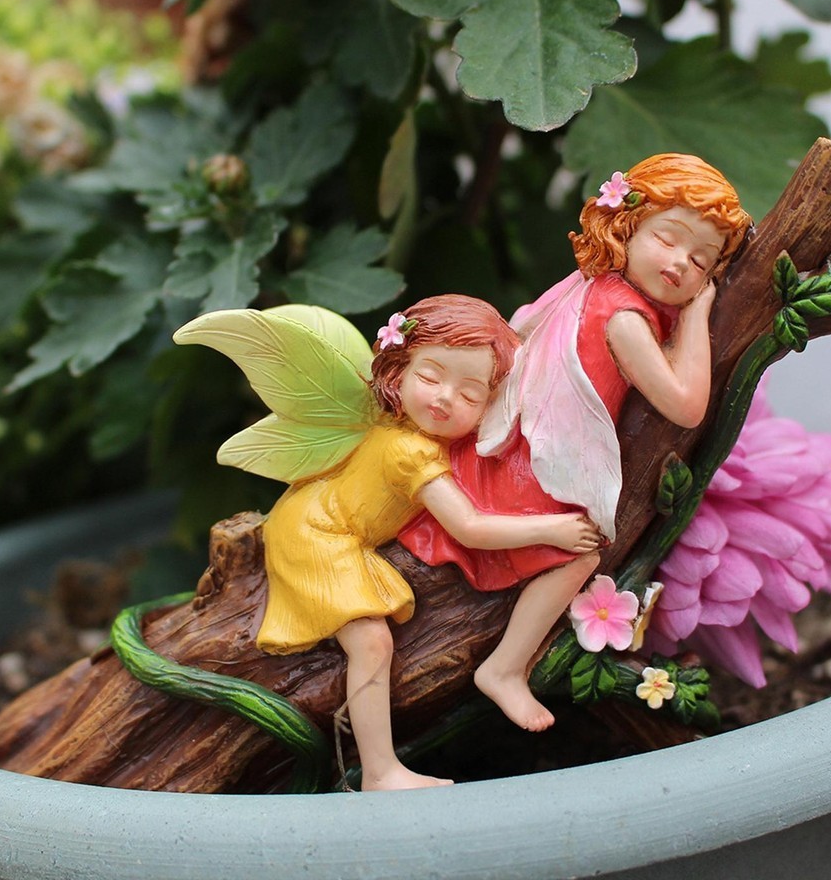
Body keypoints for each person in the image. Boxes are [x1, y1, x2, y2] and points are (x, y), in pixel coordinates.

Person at [400, 153, 752, 730]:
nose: (679, 263)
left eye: (700, 260)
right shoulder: (624, 318)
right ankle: (504, 668)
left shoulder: (596, 282)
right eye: (668, 238)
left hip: (524, 447)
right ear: (626, 227)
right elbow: (687, 405)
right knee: (578, 554)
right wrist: (697, 314)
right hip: (534, 466)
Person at [253, 295, 600, 791]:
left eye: (470, 395)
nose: (444, 399)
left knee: (373, 639)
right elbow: (470, 528)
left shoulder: (410, 433)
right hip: (316, 534)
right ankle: (379, 772)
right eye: (431, 377)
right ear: (398, 370)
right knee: (371, 643)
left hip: (324, 523)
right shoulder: (409, 449)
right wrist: (551, 530)